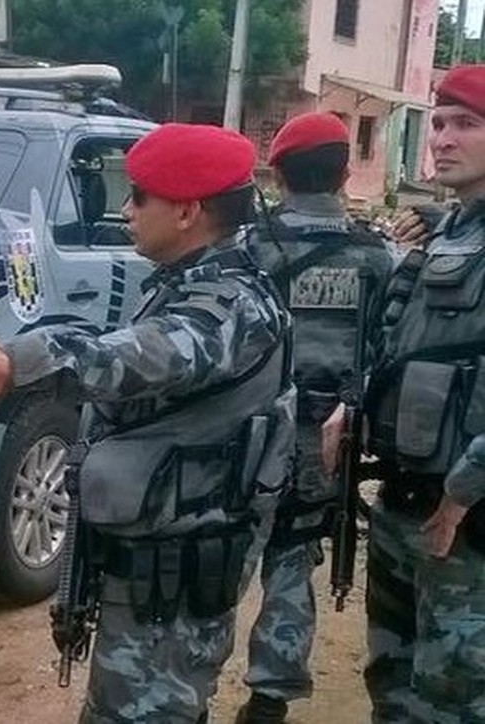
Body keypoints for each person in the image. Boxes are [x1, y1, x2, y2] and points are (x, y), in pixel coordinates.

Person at [0, 123, 296, 723]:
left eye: (139, 196)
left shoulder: (231, 304)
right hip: (157, 565)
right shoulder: (191, 283)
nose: (124, 210)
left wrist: (10, 363)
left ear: (189, 211)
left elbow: (138, 356)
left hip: (175, 576)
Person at [323, 63, 485, 723]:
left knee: (454, 697)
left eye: (465, 125)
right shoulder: (442, 232)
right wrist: (351, 403)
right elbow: (395, 342)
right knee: (392, 680)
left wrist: (463, 489)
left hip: (466, 521)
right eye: (438, 123)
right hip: (403, 500)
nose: (442, 138)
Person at [234, 112, 396, 723]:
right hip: (327, 439)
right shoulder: (377, 255)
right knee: (293, 560)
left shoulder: (252, 246)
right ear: (345, 172)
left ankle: (187, 684)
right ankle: (269, 700)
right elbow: (386, 347)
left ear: (277, 174)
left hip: (249, 431)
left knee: (226, 553)